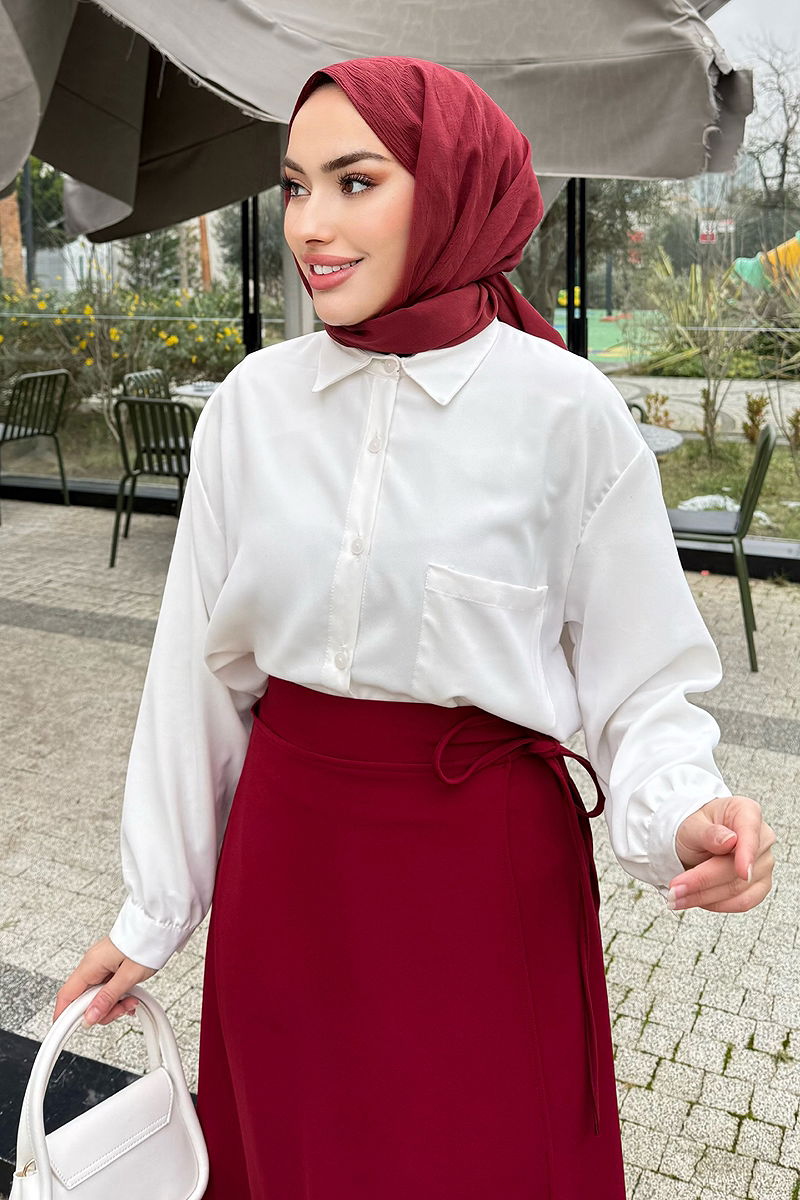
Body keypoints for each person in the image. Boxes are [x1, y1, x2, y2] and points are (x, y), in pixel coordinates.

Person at [53, 56, 776, 1200]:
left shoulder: (564, 412)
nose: (310, 225)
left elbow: (635, 685)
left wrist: (682, 815)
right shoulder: (251, 408)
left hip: (480, 879)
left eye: (355, 181)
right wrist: (151, 914)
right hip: (287, 870)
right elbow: (198, 677)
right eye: (295, 186)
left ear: (450, 190)